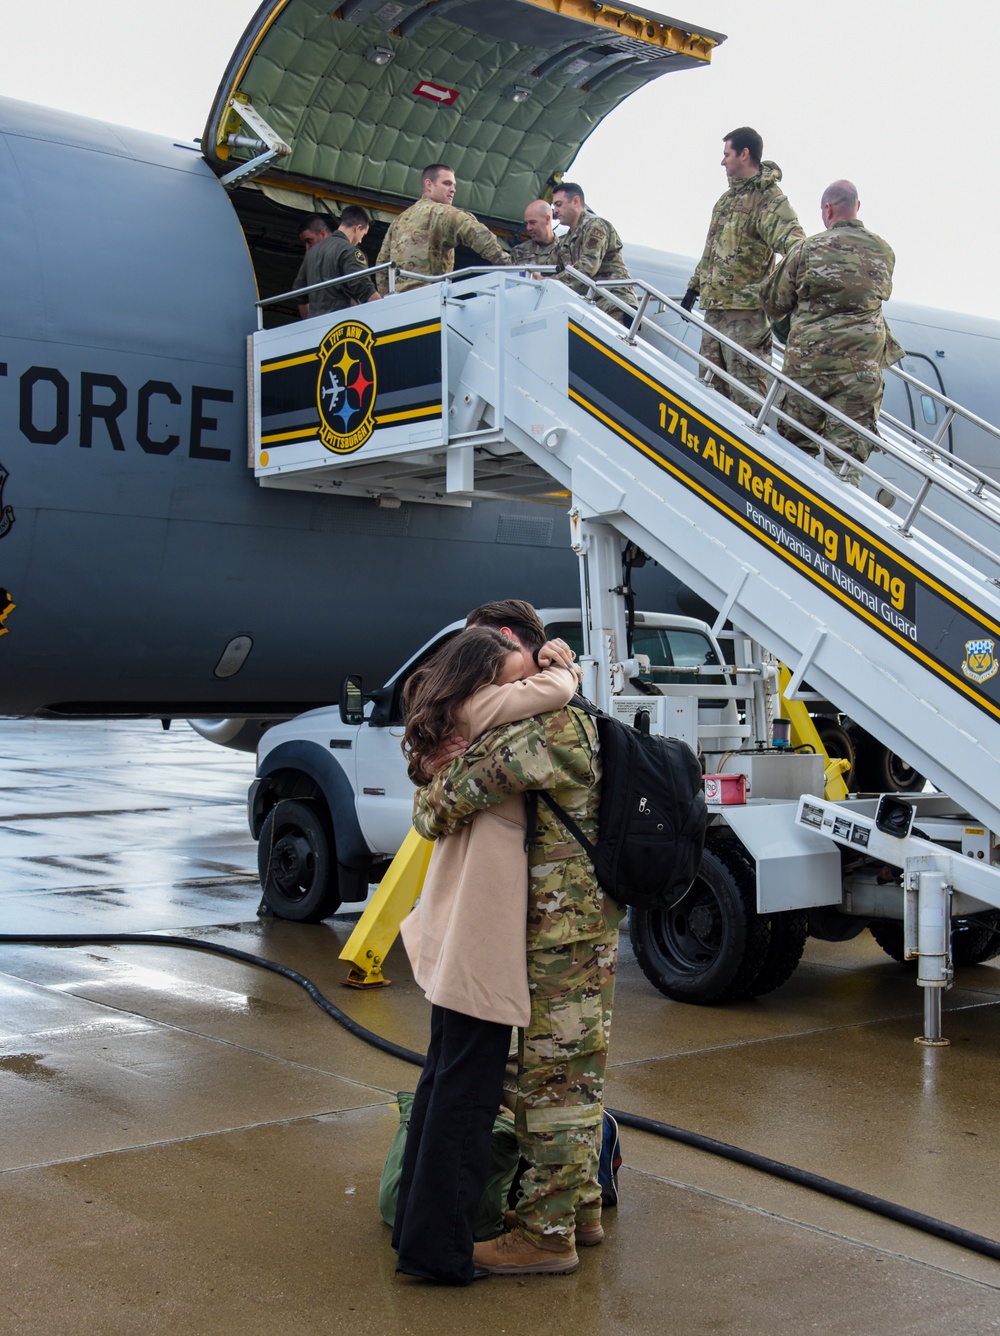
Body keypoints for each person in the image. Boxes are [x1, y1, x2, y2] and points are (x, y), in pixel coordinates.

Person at [414, 607, 623, 1278]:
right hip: (583, 923)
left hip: (559, 928)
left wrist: (443, 754)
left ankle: (547, 1235)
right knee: (578, 1068)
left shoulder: (543, 729)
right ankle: (581, 1209)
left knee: (555, 1079)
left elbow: (441, 804)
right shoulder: (567, 709)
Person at [393, 626, 581, 1286]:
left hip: (456, 934)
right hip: (478, 939)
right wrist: (562, 664)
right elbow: (557, 688)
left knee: (443, 1083)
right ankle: (440, 1253)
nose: (528, 666)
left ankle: (419, 1233)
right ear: (485, 672)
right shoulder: (487, 714)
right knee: (466, 1102)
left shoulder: (458, 724)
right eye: (516, 659)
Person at [760, 179, 904, 481]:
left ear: (827, 209)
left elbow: (774, 301)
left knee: (795, 455)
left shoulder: (808, 249)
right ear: (857, 208)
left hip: (809, 370)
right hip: (860, 375)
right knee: (845, 468)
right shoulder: (884, 252)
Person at [681, 127, 804, 412]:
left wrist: (780, 296)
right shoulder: (725, 202)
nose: (722, 162)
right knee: (709, 398)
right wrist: (694, 286)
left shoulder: (768, 200)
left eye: (727, 154)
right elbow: (712, 251)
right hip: (715, 315)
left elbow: (796, 246)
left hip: (745, 320)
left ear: (744, 154)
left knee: (745, 404)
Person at [375, 163, 507, 295]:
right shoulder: (443, 212)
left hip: (398, 302)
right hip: (430, 298)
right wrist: (508, 264)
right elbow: (479, 234)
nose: (453, 189)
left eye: (454, 185)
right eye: (447, 183)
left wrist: (386, 297)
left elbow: (382, 265)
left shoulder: (398, 221)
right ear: (429, 185)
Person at [550, 182, 636, 323]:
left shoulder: (595, 225)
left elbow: (588, 266)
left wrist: (552, 282)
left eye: (559, 204)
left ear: (576, 201)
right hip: (592, 305)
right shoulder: (565, 241)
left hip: (614, 302)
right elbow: (552, 267)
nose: (555, 211)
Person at [294, 209, 381, 319]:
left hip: (315, 327)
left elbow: (300, 294)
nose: (360, 241)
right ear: (357, 228)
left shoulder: (310, 253)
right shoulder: (350, 251)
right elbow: (363, 287)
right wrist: (385, 312)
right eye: (363, 235)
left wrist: (309, 323)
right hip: (343, 325)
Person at [509, 200, 560, 269]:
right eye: (526, 223)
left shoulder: (565, 250)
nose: (528, 228)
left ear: (547, 219)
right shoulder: (519, 252)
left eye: (532, 222)